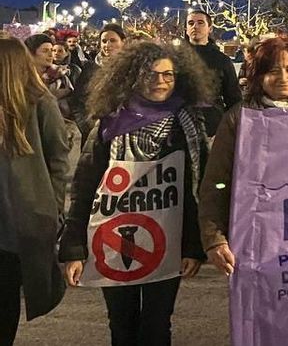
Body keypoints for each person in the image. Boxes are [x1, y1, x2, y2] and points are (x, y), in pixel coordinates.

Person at [60, 40, 212, 346]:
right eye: (150, 75)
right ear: (132, 77)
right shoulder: (108, 123)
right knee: (121, 325)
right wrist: (74, 248)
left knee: (158, 325)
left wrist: (193, 247)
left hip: (169, 242)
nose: (160, 82)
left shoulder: (188, 125)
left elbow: (198, 192)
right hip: (113, 240)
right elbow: (85, 187)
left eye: (168, 75)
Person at [199, 37, 288, 276]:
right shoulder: (239, 117)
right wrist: (214, 238)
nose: (283, 77)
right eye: (273, 71)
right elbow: (217, 182)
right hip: (259, 235)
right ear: (259, 76)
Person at [0, 38, 72, 346]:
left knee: (5, 294)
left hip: (20, 217)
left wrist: (54, 209)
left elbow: (58, 158)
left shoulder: (40, 102)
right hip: (15, 216)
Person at [185, 10, 240, 136]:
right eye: (191, 23)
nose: (195, 26)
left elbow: (234, 99)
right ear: (186, 29)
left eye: (200, 23)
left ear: (210, 28)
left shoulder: (222, 60)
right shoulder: (174, 58)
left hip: (212, 129)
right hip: (180, 129)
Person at [69, 24, 126, 137]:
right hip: (93, 132)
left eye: (113, 40)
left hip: (122, 131)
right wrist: (87, 126)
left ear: (123, 42)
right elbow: (78, 101)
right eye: (104, 41)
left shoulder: (131, 68)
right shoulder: (90, 68)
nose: (107, 45)